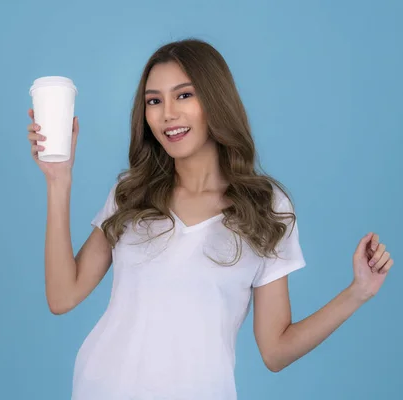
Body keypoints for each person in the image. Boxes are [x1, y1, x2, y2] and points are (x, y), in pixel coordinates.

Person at [26, 38, 394, 400]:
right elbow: (62, 296)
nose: (167, 113)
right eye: (154, 101)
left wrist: (357, 292)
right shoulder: (131, 193)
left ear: (215, 101)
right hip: (103, 388)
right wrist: (58, 180)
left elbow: (276, 351)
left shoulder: (266, 207)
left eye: (184, 95)